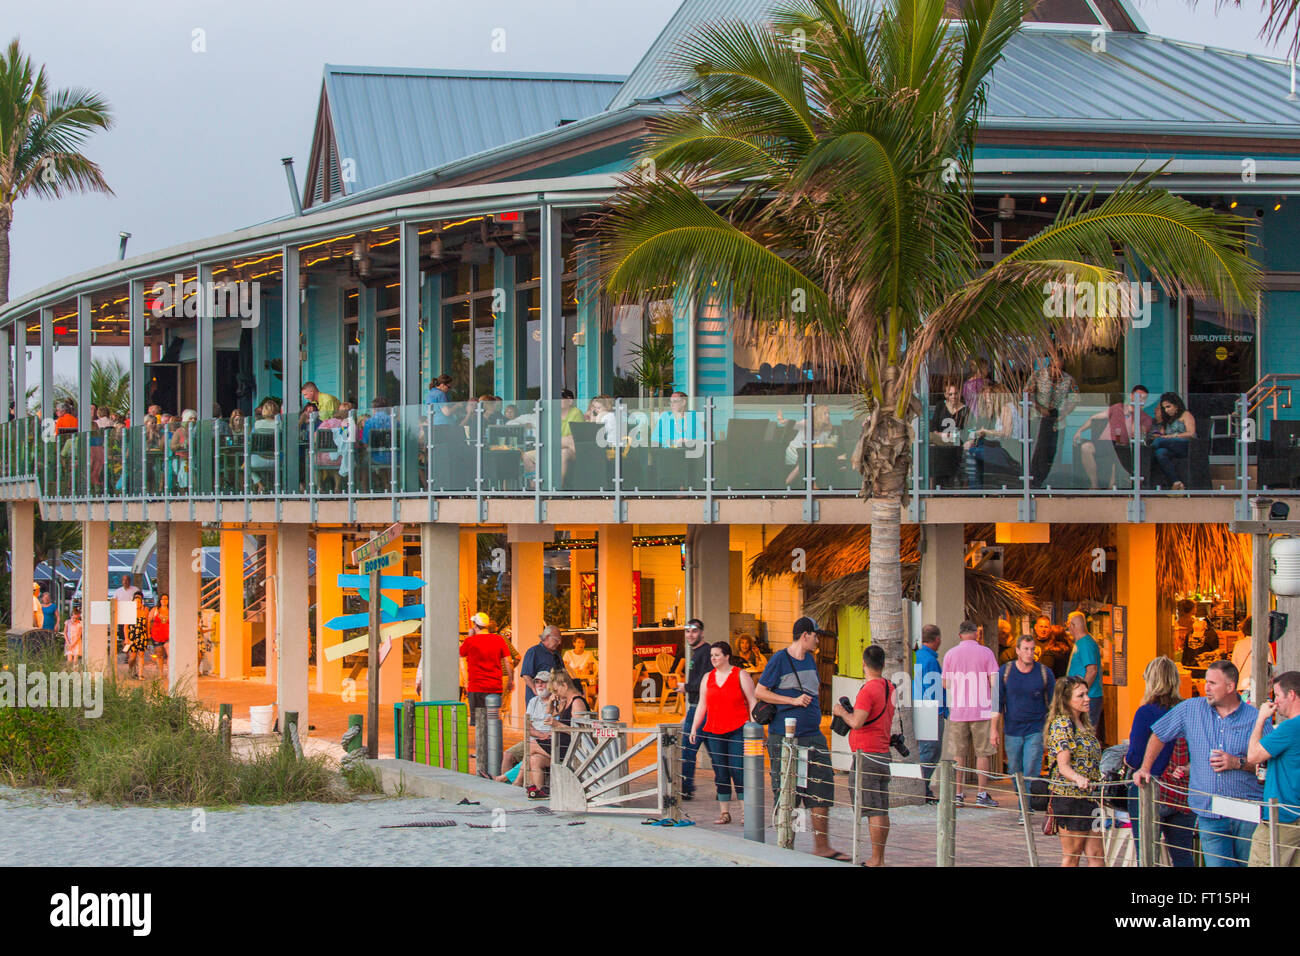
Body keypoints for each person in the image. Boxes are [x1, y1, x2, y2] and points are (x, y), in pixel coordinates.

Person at [1134, 661, 1263, 866]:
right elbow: (1159, 733)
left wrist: (1237, 762)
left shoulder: (1255, 717)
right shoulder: (1190, 708)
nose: (1206, 688)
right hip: (1209, 809)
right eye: (1206, 682)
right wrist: (1145, 768)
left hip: (1245, 809)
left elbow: (1266, 765)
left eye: (1212, 683)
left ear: (1230, 687)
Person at [754, 617, 845, 860]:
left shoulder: (812, 660)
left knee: (821, 788)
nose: (818, 639)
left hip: (813, 735)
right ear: (805, 635)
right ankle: (787, 844)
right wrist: (792, 701)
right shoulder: (779, 660)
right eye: (815, 635)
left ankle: (822, 845)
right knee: (786, 790)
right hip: (785, 737)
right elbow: (760, 691)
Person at [1124, 656, 1196, 867]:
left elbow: (1134, 757)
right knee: (1183, 855)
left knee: (1147, 855)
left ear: (1150, 681)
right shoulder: (1188, 709)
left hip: (1150, 787)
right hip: (1182, 789)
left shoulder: (1146, 711)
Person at [832, 644, 895, 866]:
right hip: (882, 753)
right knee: (881, 807)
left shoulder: (868, 690)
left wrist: (841, 712)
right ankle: (880, 857)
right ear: (883, 663)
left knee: (872, 808)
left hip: (866, 755)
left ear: (864, 664)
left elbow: (857, 722)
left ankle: (876, 860)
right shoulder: (889, 686)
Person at [688, 640, 758, 825]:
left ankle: (746, 812)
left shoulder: (740, 675)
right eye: (712, 655)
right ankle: (724, 812)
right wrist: (694, 727)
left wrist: (755, 727)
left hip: (738, 728)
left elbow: (752, 701)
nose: (713, 658)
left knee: (738, 769)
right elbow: (702, 704)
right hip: (713, 729)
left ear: (727, 656)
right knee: (720, 771)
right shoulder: (707, 678)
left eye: (717, 655)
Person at [1045, 675, 1104, 866]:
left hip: (1091, 798)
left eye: (1087, 694)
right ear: (1066, 699)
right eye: (1081, 695)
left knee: (1097, 854)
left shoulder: (1084, 723)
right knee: (1072, 855)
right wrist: (1079, 779)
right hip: (1071, 797)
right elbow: (1063, 766)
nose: (1087, 698)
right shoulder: (1062, 724)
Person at [941, 619, 1000, 807]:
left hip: (958, 710)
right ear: (977, 634)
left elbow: (945, 684)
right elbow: (994, 681)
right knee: (983, 753)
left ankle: (958, 794)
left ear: (960, 635)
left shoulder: (951, 654)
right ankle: (982, 794)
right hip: (982, 709)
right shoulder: (986, 653)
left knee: (959, 753)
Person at [1247, 671, 1300, 866]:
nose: (1275, 702)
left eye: (1277, 695)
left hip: (1282, 817)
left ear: (1291, 695)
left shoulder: (1290, 728)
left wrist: (1261, 719)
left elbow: (1253, 756)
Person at [459, 612, 513, 778]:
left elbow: (461, 658)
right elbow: (508, 661)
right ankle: (494, 756)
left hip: (476, 687)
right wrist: (510, 680)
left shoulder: (470, 641)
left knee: (479, 723)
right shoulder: (498, 639)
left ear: (475, 626)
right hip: (494, 686)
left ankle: (482, 759)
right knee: (494, 721)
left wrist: (466, 682)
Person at [1072, 385, 1152, 489]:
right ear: (1132, 396)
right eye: (1138, 396)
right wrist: (1080, 430)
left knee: (1118, 451)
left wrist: (1136, 413)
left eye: (1143, 398)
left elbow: (1135, 433)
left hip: (1122, 445)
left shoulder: (1146, 418)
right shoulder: (1118, 407)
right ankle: (1094, 485)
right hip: (1105, 442)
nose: (1140, 399)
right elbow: (1094, 418)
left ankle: (1112, 486)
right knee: (1085, 447)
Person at [1000, 634, 1055, 782]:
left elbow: (1053, 704)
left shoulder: (1044, 672)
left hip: (1036, 728)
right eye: (1025, 649)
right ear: (1017, 650)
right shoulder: (1006, 671)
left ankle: (1027, 803)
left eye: (1032, 649)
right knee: (1014, 769)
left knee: (1031, 767)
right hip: (1012, 729)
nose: (1029, 653)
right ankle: (1022, 801)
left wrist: (1051, 730)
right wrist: (994, 730)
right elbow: (997, 702)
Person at [527, 671, 589, 799]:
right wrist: (551, 702)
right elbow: (549, 714)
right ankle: (540, 793)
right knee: (535, 759)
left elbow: (580, 732)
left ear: (564, 686)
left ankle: (523, 782)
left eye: (555, 690)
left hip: (571, 748)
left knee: (530, 746)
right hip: (560, 743)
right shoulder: (565, 701)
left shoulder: (577, 703)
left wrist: (557, 725)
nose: (555, 693)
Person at [1028, 348, 1079, 487]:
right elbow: (1027, 395)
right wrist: (1039, 407)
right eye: (1054, 367)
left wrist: (1064, 413)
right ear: (1050, 364)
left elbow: (1075, 399)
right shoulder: (1038, 376)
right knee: (1037, 449)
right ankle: (1032, 481)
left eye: (1060, 367)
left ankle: (1046, 479)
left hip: (1057, 419)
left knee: (1052, 450)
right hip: (1038, 417)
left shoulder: (1068, 380)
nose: (1057, 371)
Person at [495, 668, 553, 787]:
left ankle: (514, 782)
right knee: (508, 755)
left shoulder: (556, 702)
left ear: (551, 684)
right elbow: (528, 727)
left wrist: (544, 737)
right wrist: (541, 735)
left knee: (532, 755)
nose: (540, 685)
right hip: (534, 739)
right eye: (537, 682)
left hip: (547, 743)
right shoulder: (533, 701)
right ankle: (506, 785)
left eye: (543, 682)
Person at [677, 618, 713, 800]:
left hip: (700, 708)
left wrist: (686, 687)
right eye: (687, 630)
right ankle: (724, 787)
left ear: (702, 633)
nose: (690, 634)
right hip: (697, 707)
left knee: (688, 749)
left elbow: (704, 682)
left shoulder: (705, 652)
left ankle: (685, 787)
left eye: (694, 630)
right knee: (713, 750)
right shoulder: (697, 652)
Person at [963, 383, 1021, 488]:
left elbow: (1006, 433)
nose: (988, 401)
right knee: (975, 448)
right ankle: (974, 487)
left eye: (990, 398)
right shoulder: (1003, 409)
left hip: (1009, 450)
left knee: (972, 452)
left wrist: (986, 431)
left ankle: (975, 489)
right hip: (1004, 448)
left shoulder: (1006, 408)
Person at [913, 624, 947, 803]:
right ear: (937, 640)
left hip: (919, 707)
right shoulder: (930, 660)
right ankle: (922, 788)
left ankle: (921, 787)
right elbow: (934, 689)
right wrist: (941, 710)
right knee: (931, 752)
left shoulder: (916, 657)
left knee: (925, 751)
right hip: (930, 709)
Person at [1064, 610, 1103, 739]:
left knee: (1085, 734)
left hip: (1089, 697)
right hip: (1083, 696)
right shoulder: (1082, 642)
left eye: (1068, 624)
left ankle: (1088, 758)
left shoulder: (1085, 643)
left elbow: (1092, 670)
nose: (1068, 627)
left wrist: (1082, 693)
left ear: (1073, 625)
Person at [1149, 391, 1196, 490]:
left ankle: (1145, 455)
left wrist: (1173, 436)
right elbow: (1166, 436)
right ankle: (1176, 482)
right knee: (1160, 452)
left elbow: (1191, 433)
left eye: (1168, 406)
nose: (1166, 410)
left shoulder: (1186, 415)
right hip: (1173, 447)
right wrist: (1161, 435)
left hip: (1187, 445)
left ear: (1176, 405)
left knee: (1159, 442)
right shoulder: (1169, 419)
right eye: (1164, 408)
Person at [777, 405, 834, 485]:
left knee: (813, 458)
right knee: (807, 459)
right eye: (825, 413)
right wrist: (782, 420)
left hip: (811, 454)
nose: (828, 416)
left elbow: (824, 445)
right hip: (795, 453)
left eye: (829, 413)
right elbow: (792, 424)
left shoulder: (827, 430)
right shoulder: (807, 423)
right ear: (818, 415)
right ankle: (786, 483)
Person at [928, 381, 968, 489]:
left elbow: (964, 431)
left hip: (956, 442)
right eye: (950, 394)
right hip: (941, 440)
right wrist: (942, 435)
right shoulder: (941, 406)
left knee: (930, 438)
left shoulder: (964, 410)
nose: (953, 397)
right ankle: (932, 489)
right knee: (930, 442)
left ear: (960, 394)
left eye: (956, 394)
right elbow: (934, 427)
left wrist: (952, 436)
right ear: (946, 395)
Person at [520, 625, 563, 703]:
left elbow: (563, 674)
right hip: (537, 700)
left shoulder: (557, 654)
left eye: (560, 640)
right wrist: (536, 691)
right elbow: (526, 676)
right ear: (546, 637)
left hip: (554, 700)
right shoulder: (533, 652)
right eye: (557, 640)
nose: (559, 642)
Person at [111, 574, 141, 654]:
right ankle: (126, 653)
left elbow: (140, 600)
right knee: (123, 636)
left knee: (133, 634)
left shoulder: (135, 589)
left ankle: (132, 652)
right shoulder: (118, 591)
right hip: (122, 616)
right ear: (122, 582)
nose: (125, 582)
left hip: (133, 615)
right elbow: (114, 603)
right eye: (124, 580)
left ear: (130, 581)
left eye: (127, 580)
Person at [125, 593, 150, 680]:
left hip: (142, 635)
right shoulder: (130, 612)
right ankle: (131, 669)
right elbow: (126, 626)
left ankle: (140, 674)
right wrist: (126, 638)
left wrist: (148, 634)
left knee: (141, 654)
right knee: (132, 657)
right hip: (132, 635)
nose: (137, 604)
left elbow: (147, 623)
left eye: (139, 602)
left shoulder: (145, 611)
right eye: (136, 602)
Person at [149, 594, 170, 680]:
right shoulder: (155, 610)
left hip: (168, 636)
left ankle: (169, 673)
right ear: (160, 600)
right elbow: (149, 621)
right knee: (159, 654)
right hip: (157, 635)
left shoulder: (171, 610)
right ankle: (160, 673)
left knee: (170, 654)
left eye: (166, 599)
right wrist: (148, 632)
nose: (164, 601)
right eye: (162, 599)